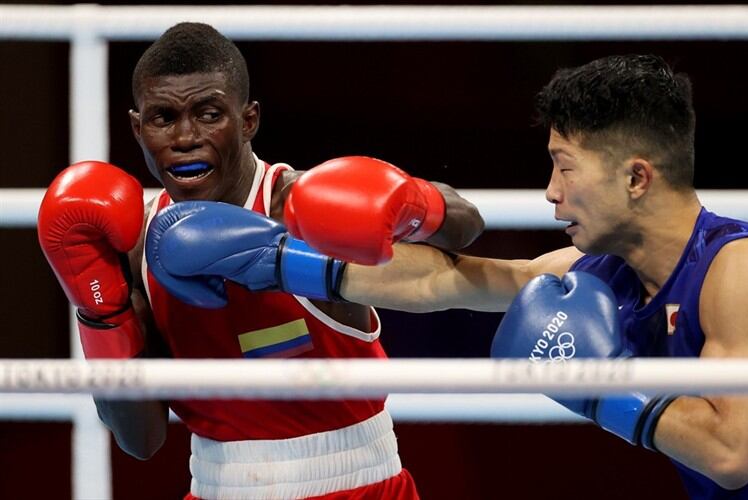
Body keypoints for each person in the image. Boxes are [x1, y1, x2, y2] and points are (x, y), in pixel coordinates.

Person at [146, 54, 748, 499]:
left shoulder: (741, 267)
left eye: (564, 168)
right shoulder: (602, 272)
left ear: (635, 177)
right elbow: (447, 281)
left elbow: (731, 456)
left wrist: (599, 385)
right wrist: (276, 260)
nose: (549, 194)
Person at [37, 22, 485, 500]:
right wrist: (99, 311)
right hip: (215, 487)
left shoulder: (298, 206)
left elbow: (468, 223)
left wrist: (414, 203)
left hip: (359, 484)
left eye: (209, 114)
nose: (185, 137)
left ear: (248, 120)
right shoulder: (134, 244)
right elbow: (140, 440)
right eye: (163, 117)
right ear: (137, 127)